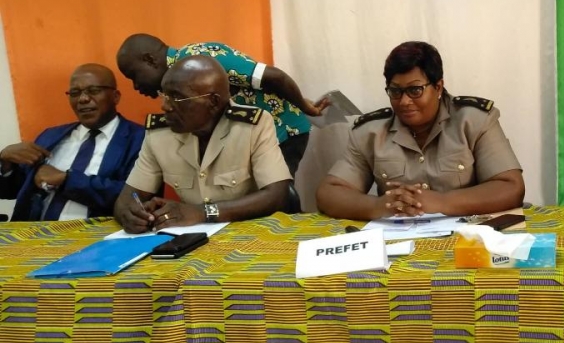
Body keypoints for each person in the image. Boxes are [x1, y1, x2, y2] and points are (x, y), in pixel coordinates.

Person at [316, 41, 525, 220]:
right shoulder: (371, 132)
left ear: (438, 87)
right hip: (398, 242)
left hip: (467, 239)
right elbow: (329, 193)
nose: (404, 101)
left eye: (415, 90)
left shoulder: (473, 120)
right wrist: (379, 206)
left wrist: (442, 202)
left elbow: (511, 187)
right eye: (395, 91)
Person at [114, 56, 292, 233]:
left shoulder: (251, 126)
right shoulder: (159, 134)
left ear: (213, 102)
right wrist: (131, 215)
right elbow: (127, 198)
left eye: (177, 97)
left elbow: (277, 195)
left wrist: (202, 212)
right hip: (191, 237)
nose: (165, 106)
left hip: (247, 232)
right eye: (164, 95)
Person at [115, 33, 327, 176]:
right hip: (250, 137)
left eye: (134, 76)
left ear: (150, 60)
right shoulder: (178, 78)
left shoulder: (200, 58)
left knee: (277, 197)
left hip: (282, 130)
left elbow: (274, 76)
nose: (135, 86)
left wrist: (304, 106)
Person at [0, 64, 144, 221]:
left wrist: (66, 179)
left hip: (98, 234)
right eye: (75, 93)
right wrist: (6, 163)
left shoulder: (139, 139)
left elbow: (135, 196)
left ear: (116, 96)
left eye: (93, 91)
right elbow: (14, 190)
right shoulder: (50, 136)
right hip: (34, 233)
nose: (83, 99)